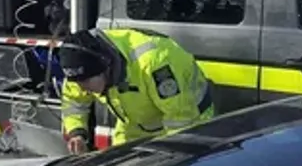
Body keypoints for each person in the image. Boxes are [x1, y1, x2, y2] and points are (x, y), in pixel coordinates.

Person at [57, 27, 214, 154]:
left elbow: (181, 118)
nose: (82, 88)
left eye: (86, 82)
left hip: (191, 119)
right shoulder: (80, 63)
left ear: (106, 67)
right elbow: (74, 102)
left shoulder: (155, 64)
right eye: (76, 82)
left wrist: (169, 156)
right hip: (137, 123)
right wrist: (77, 134)